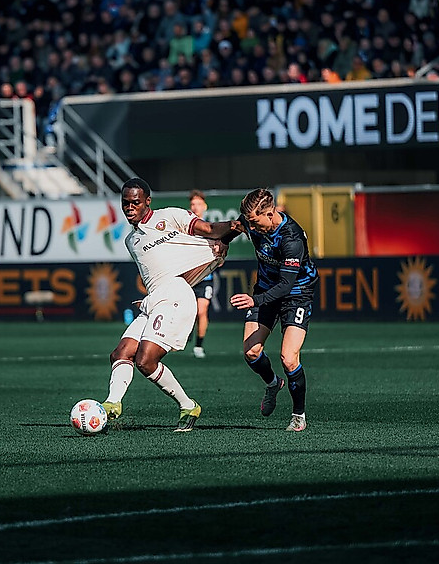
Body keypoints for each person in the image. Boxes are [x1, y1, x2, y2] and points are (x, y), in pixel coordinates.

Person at [102, 178, 237, 432]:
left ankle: (188, 405)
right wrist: (153, 296)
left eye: (135, 202)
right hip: (156, 299)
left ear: (147, 201)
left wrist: (233, 227)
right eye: (125, 203)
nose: (129, 207)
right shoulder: (131, 242)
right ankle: (112, 404)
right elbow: (163, 272)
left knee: (145, 360)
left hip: (175, 297)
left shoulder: (171, 216)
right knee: (119, 354)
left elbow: (208, 230)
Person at [227, 188, 319, 432]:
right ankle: (272, 383)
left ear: (270, 213)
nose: (252, 229)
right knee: (251, 352)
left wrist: (255, 301)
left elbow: (286, 285)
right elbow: (233, 228)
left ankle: (298, 415)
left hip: (296, 295)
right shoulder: (253, 222)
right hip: (266, 291)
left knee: (289, 358)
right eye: (250, 223)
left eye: (256, 223)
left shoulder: (292, 239)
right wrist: (220, 244)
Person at [188, 189, 216, 358]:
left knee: (201, 311)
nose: (195, 207)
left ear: (204, 206)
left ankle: (199, 345)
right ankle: (186, 333)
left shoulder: (210, 228)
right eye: (193, 204)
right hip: (189, 278)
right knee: (188, 311)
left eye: (198, 204)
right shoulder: (185, 228)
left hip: (205, 278)